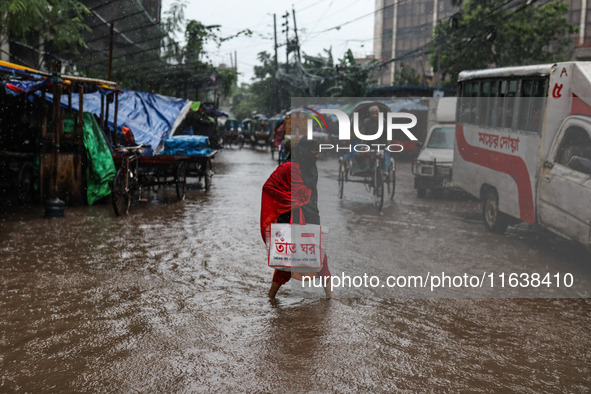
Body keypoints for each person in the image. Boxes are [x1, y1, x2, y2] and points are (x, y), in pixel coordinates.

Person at [260, 137, 334, 299]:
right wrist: (291, 202)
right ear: (307, 152)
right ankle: (271, 296)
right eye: (315, 152)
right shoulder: (287, 168)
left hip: (311, 216)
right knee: (286, 259)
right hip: (289, 218)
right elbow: (269, 187)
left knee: (319, 255)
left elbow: (311, 195)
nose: (318, 156)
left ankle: (330, 295)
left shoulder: (310, 167)